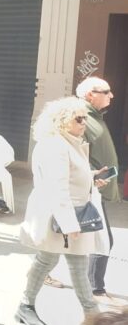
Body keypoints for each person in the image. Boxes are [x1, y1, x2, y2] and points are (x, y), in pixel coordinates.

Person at [16, 97, 108, 324]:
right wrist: (68, 223)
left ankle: (89, 312)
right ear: (61, 121)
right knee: (57, 261)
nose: (84, 123)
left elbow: (71, 175)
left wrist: (91, 178)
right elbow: (57, 187)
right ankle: (27, 307)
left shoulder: (68, 142)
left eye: (85, 118)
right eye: (79, 119)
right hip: (60, 215)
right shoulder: (56, 145)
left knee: (57, 261)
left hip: (69, 214)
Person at [74, 77, 125, 308]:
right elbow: (74, 152)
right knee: (103, 239)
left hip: (96, 186)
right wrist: (92, 175)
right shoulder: (80, 117)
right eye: (106, 91)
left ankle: (41, 270)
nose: (111, 95)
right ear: (90, 95)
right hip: (90, 188)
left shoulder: (95, 117)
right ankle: (95, 288)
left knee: (70, 236)